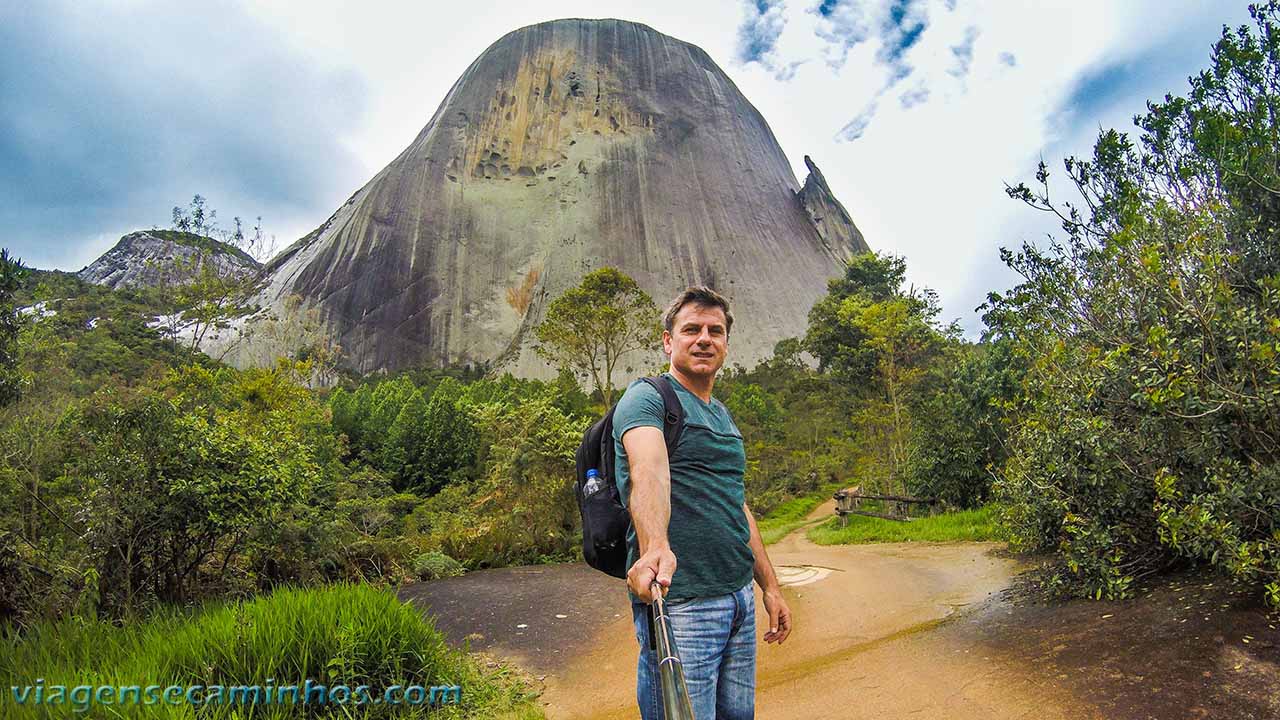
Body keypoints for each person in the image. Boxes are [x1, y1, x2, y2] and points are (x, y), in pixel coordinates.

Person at [612, 286, 792, 720]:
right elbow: (648, 472)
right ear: (668, 341)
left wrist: (769, 587)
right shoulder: (648, 398)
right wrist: (656, 545)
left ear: (726, 343)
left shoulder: (722, 416)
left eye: (716, 331)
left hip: (738, 602)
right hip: (682, 604)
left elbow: (736, 503)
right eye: (691, 329)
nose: (704, 338)